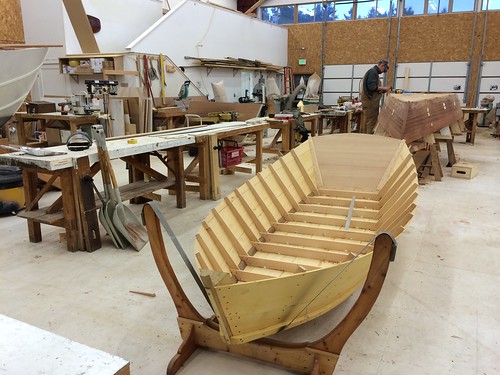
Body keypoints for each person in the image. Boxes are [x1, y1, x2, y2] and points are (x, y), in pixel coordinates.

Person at [360, 59, 390, 134]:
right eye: (384, 70)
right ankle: (369, 139)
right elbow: (372, 87)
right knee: (371, 121)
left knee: (368, 121)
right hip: (370, 102)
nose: (383, 72)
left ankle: (366, 137)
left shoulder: (373, 72)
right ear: (382, 66)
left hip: (370, 102)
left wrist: (382, 90)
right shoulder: (373, 72)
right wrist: (384, 88)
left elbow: (373, 88)